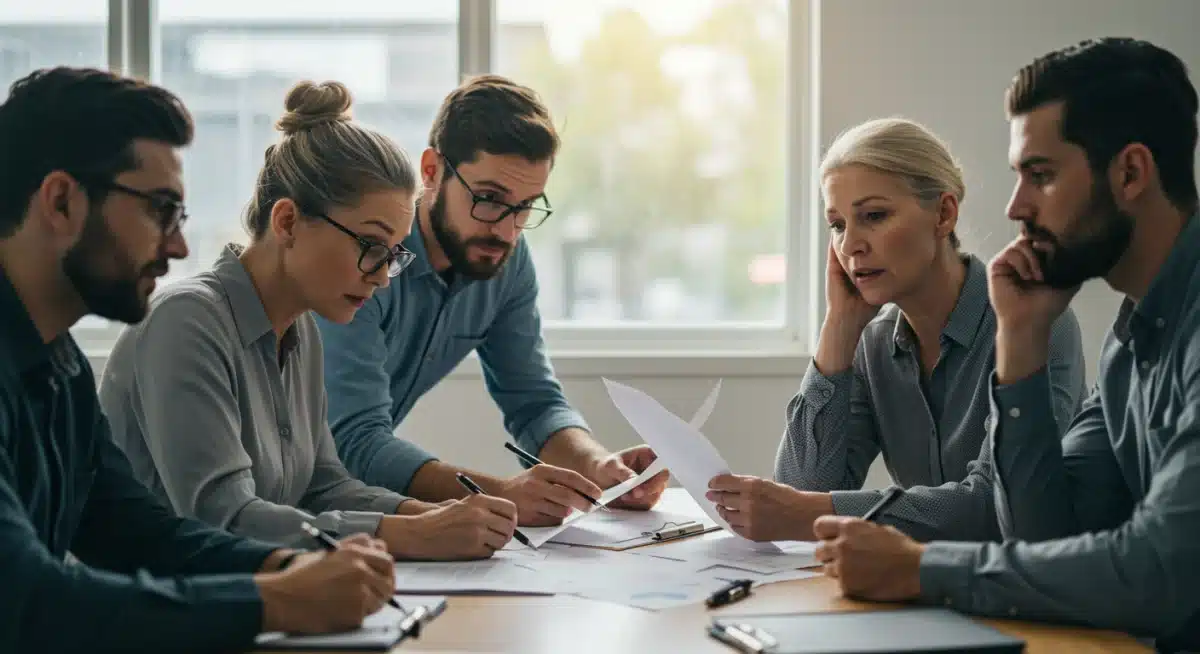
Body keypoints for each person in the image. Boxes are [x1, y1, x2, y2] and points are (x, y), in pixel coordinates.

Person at [812, 38, 1200, 651]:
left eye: (1040, 176)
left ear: (1130, 173)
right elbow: (1043, 544)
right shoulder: (1130, 344)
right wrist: (1021, 340)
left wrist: (919, 569)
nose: (1016, 207)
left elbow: (1160, 570)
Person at [0, 67, 399, 652]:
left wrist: (288, 567)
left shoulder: (58, 364)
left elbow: (138, 533)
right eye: (160, 210)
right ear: (61, 202)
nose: (179, 246)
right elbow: (29, 601)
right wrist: (277, 599)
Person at [98, 80, 518, 562]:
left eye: (393, 255)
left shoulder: (302, 332)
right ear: (288, 223)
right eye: (370, 247)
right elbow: (222, 517)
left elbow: (325, 487)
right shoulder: (186, 322)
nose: (383, 278)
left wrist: (431, 514)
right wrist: (413, 535)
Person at [707, 118, 1087, 543]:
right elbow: (801, 491)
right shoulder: (871, 341)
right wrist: (838, 328)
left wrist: (811, 512)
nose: (851, 244)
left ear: (944, 214)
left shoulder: (1033, 325)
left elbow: (994, 507)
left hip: (1029, 592)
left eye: (874, 216)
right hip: (922, 591)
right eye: (837, 224)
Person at [317, 74, 668, 527]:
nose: (505, 230)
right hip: (277, 499)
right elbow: (354, 440)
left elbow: (535, 402)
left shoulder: (506, 261)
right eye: (488, 199)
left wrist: (598, 469)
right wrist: (500, 493)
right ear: (431, 171)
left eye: (525, 207)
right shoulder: (370, 256)